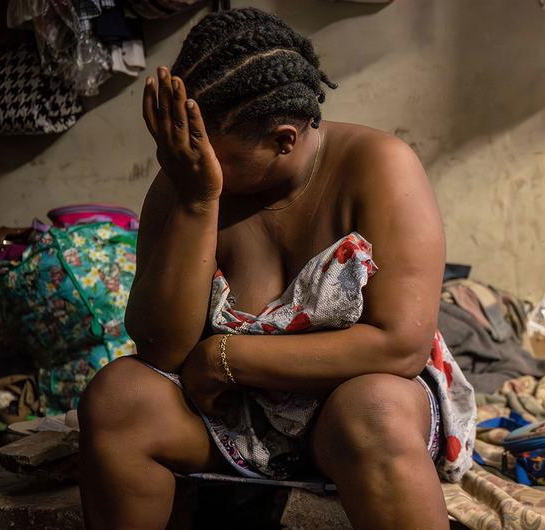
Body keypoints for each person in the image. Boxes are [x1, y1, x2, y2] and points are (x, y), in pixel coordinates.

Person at [76, 8, 475, 530]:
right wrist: (196, 202)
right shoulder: (190, 175)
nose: (193, 160)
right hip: (230, 422)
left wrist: (227, 357)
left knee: (373, 409)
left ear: (284, 138)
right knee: (117, 396)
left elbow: (399, 345)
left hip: (348, 412)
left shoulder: (380, 165)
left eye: (212, 155)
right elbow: (162, 349)